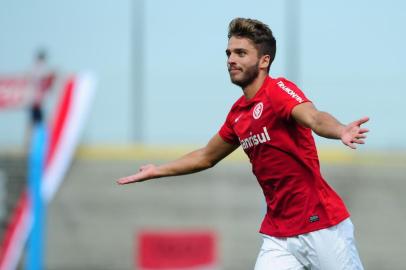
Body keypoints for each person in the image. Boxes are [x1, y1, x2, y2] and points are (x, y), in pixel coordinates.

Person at [117, 18, 368, 269]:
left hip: (321, 225)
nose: (230, 59)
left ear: (264, 60)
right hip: (279, 234)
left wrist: (340, 130)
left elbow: (314, 117)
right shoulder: (238, 114)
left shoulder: (278, 91)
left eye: (240, 53)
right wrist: (156, 170)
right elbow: (206, 156)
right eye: (228, 53)